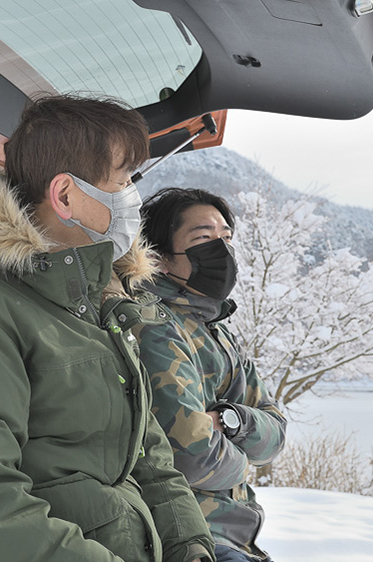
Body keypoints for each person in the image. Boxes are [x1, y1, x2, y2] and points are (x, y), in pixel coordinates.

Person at [0, 96, 215, 562]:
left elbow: (146, 453)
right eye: (122, 183)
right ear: (64, 196)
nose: (133, 201)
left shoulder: (90, 302)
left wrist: (189, 545)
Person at [135, 188, 287, 562]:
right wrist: (244, 463)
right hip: (190, 535)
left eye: (226, 237)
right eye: (203, 238)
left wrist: (233, 422)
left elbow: (276, 435)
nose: (221, 249)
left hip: (236, 537)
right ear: (161, 257)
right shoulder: (154, 325)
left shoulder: (216, 329)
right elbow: (192, 457)